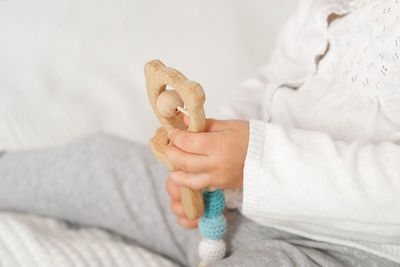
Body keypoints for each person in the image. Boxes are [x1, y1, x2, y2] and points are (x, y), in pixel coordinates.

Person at [1, 0, 400, 266]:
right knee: (96, 161)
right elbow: (273, 82)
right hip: (228, 206)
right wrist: (209, 151)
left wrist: (256, 163)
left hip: (339, 249)